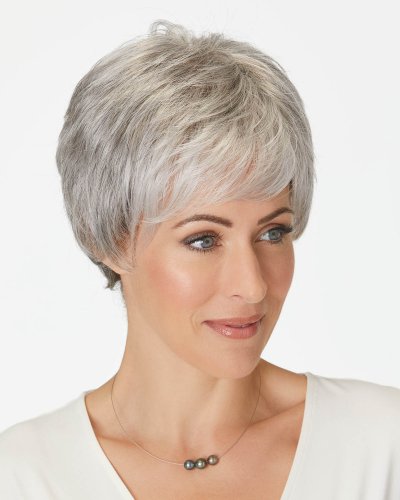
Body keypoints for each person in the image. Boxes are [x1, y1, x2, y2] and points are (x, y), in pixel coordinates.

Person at [0, 19, 399, 500]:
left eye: (273, 232)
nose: (252, 285)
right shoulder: (23, 478)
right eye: (204, 240)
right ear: (108, 238)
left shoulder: (381, 447)